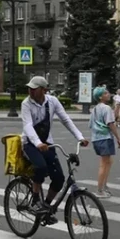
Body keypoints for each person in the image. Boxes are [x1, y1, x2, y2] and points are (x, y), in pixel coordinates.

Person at [20, 76, 89, 217]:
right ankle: (35, 200)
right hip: (30, 143)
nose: (30, 91)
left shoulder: (52, 101)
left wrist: (80, 137)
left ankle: (46, 206)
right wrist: (37, 143)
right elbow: (27, 125)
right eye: (29, 88)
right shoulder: (26, 103)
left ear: (44, 90)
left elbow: (66, 120)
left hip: (47, 143)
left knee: (59, 178)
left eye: (34, 88)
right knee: (40, 167)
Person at [89, 86, 120, 198]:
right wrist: (118, 138)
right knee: (104, 163)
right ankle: (99, 189)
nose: (109, 94)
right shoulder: (106, 108)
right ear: (100, 96)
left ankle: (104, 185)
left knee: (108, 161)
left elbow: (91, 124)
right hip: (105, 138)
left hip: (96, 138)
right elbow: (111, 123)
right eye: (106, 93)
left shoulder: (95, 109)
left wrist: (117, 109)